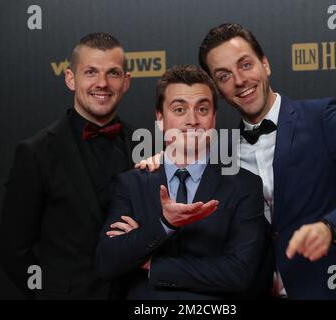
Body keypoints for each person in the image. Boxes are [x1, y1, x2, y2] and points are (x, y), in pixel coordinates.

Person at [139, 23, 336, 299]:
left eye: (245, 65)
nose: (240, 80)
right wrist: (164, 158)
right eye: (224, 75)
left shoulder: (322, 118)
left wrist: (332, 227)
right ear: (218, 89)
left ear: (265, 64)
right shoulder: (222, 149)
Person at [95, 65, 273, 299]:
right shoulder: (131, 184)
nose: (192, 120)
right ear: (160, 118)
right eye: (179, 109)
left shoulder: (243, 185)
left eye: (202, 109)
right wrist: (164, 224)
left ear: (214, 117)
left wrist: (151, 263)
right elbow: (107, 262)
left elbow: (239, 274)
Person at [0, 32, 135, 299]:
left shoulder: (146, 146)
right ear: (71, 79)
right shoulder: (35, 152)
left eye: (113, 73)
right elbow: (14, 251)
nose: (102, 83)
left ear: (126, 81)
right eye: (91, 72)